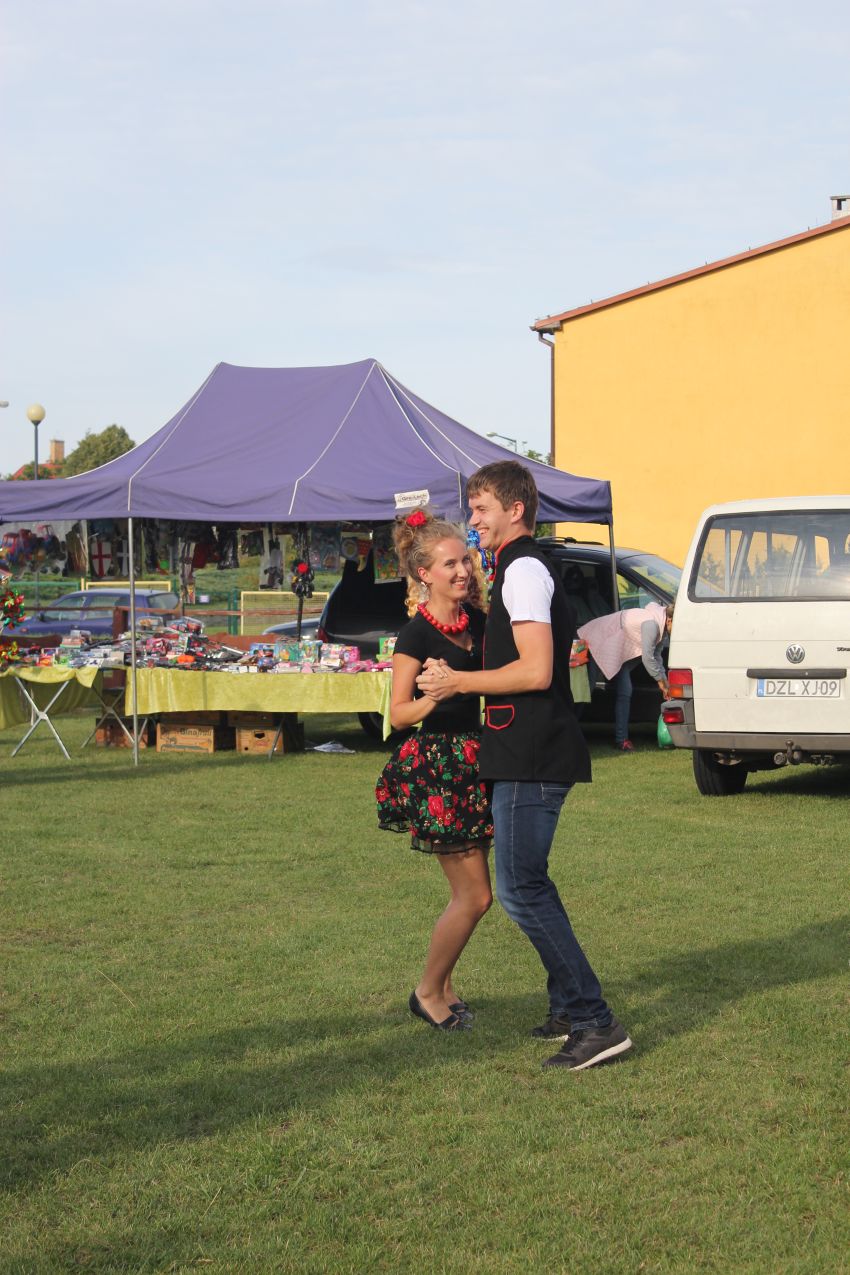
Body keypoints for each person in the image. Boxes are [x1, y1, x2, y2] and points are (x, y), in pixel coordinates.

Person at [416, 461, 632, 1071]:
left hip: (534, 751)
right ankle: (567, 1008)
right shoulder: (518, 567)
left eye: (482, 508)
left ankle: (594, 1021)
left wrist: (458, 682)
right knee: (529, 883)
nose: (474, 521)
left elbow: (537, 670)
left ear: (515, 510)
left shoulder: (524, 569)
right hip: (526, 748)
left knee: (520, 888)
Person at [375, 509, 493, 1032]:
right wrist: (436, 696)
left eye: (465, 560)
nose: (463, 571)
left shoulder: (478, 623)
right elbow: (399, 714)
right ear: (424, 574)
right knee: (476, 896)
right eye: (450, 564)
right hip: (437, 771)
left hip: (476, 762)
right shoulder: (415, 635)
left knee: (470, 894)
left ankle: (444, 987)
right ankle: (427, 992)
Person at [578, 602, 674, 751]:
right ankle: (567, 731)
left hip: (616, 650)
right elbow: (648, 658)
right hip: (595, 640)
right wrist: (660, 682)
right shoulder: (651, 624)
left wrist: (665, 683)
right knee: (584, 690)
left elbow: (657, 657)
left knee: (625, 691)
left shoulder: (661, 628)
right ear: (669, 620)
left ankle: (621, 740)